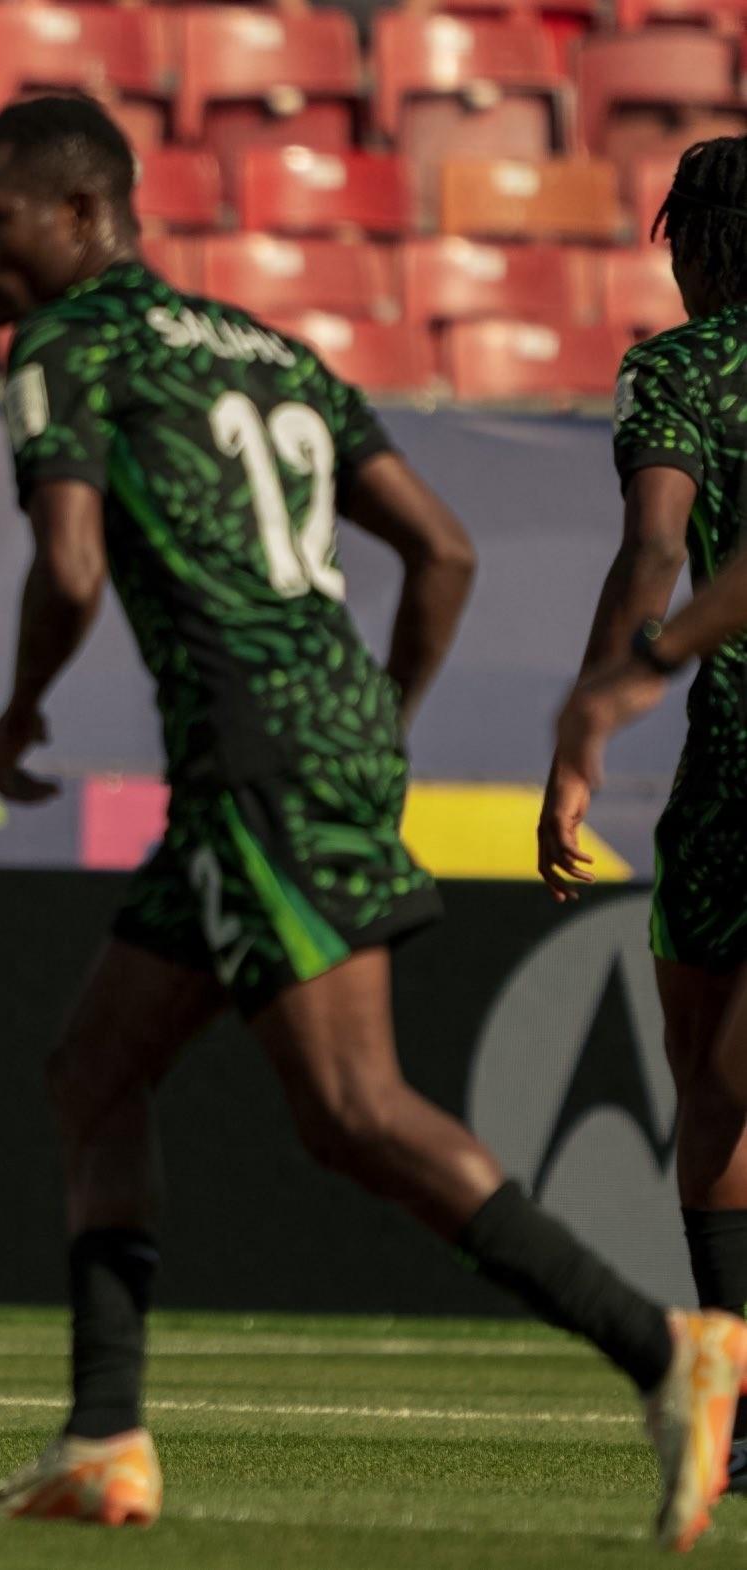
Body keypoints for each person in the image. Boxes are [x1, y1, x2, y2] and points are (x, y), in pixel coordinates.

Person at [0, 94, 745, 1551]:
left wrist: (14, 717)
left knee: (356, 1110)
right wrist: (375, 718)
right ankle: (105, 1440)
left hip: (252, 756)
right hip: (295, 748)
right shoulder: (260, 345)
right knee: (94, 1069)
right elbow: (440, 549)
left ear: (78, 213)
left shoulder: (66, 345)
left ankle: (664, 1351)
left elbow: (68, 568)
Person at [546, 132, 747, 1495]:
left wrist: (598, 708)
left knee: (715, 1089)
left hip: (729, 760)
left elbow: (654, 546)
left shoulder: (679, 369)